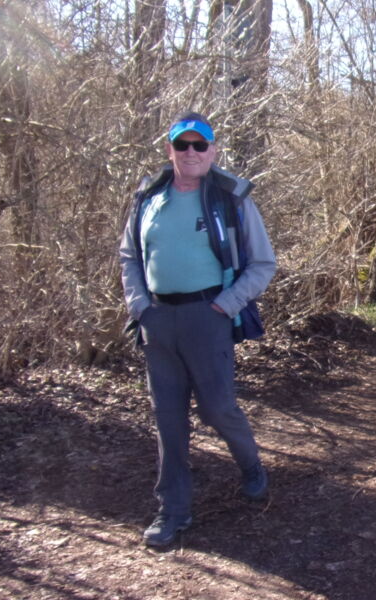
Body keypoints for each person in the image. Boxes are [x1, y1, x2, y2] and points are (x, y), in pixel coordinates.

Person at [119, 111, 277, 547]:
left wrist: (225, 306)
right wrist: (140, 307)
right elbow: (129, 256)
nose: (191, 153)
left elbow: (263, 263)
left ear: (213, 151)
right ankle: (172, 511)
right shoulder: (148, 197)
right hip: (157, 321)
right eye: (182, 145)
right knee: (167, 419)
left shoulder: (231, 199)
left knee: (218, 409)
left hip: (208, 318)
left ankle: (251, 468)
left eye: (199, 145)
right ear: (169, 150)